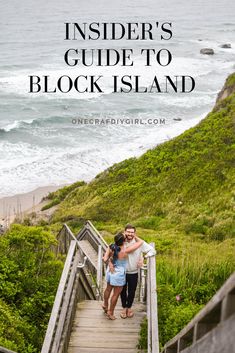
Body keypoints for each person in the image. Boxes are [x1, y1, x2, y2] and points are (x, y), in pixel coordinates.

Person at [102, 232, 143, 320]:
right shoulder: (126, 250)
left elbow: (105, 259)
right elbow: (140, 242)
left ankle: (105, 304)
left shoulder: (111, 246)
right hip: (119, 273)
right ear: (124, 241)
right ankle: (111, 312)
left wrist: (110, 263)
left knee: (108, 289)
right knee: (116, 294)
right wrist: (134, 235)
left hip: (110, 271)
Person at [120, 224, 156, 319]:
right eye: (128, 232)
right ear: (124, 232)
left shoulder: (139, 243)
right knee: (122, 290)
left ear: (135, 233)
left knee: (132, 291)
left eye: (132, 232)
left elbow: (152, 251)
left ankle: (129, 307)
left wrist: (143, 257)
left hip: (133, 272)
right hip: (121, 272)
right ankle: (124, 307)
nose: (130, 234)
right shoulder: (120, 241)